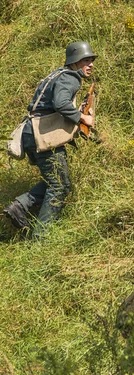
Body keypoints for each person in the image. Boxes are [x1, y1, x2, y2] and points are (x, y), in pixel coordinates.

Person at [3, 41, 97, 237]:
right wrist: (83, 117)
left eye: (91, 60)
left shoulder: (58, 74)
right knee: (60, 186)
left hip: (32, 134)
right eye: (86, 60)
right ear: (75, 61)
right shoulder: (71, 78)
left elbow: (51, 106)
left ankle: (19, 206)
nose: (90, 64)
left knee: (56, 181)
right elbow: (61, 103)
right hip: (43, 137)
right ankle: (41, 237)